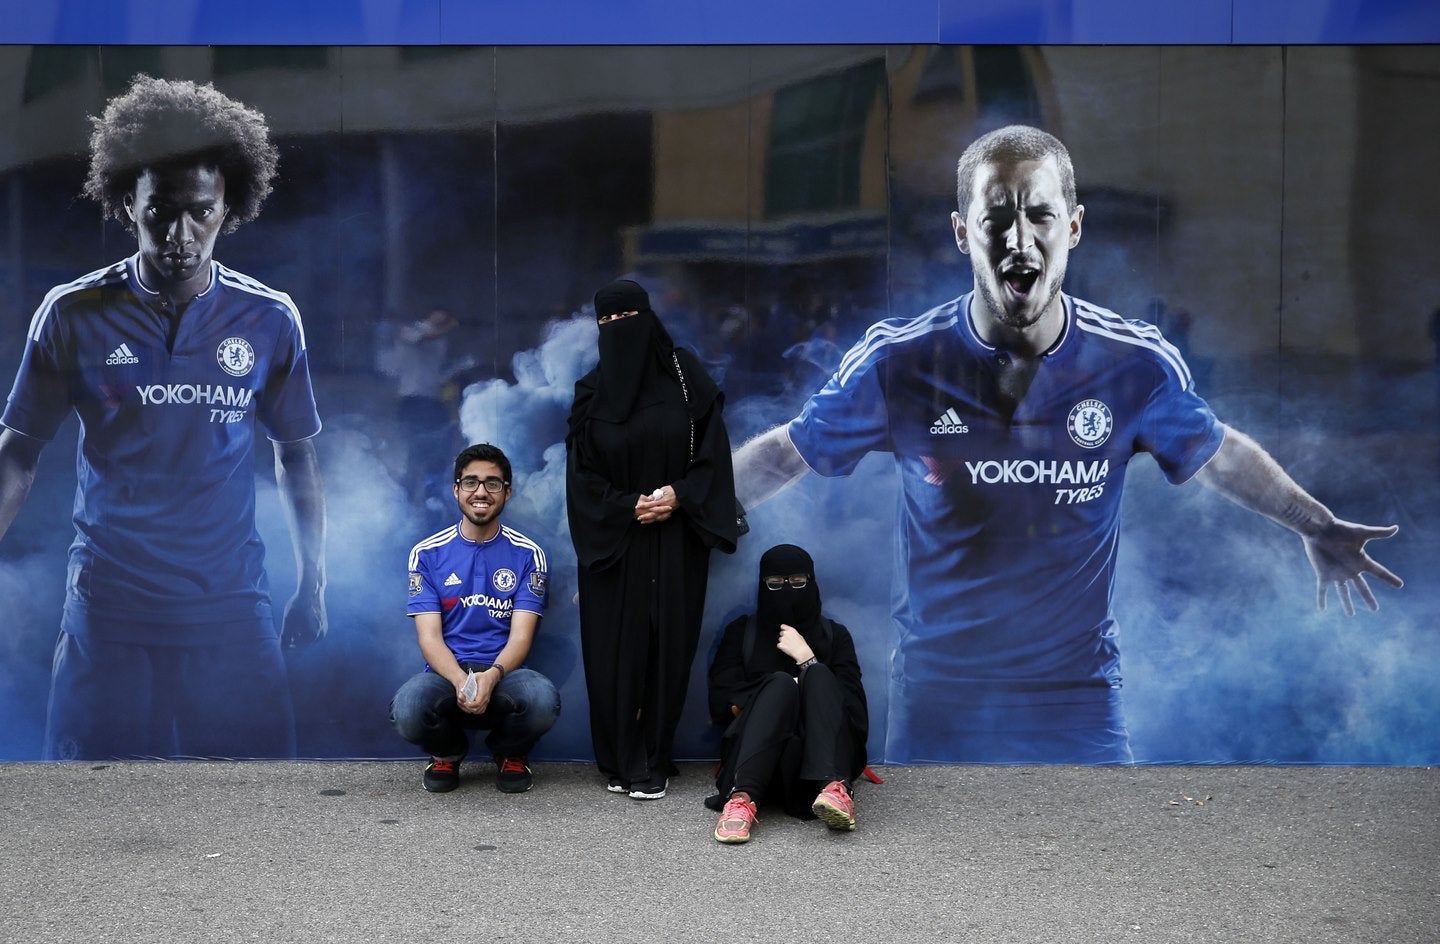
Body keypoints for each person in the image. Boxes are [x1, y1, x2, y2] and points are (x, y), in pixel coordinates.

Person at [733, 125, 1402, 765]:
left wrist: (1314, 524)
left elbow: (1217, 452)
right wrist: (684, 504)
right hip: (939, 702)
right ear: (964, 233)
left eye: (1041, 215)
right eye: (997, 217)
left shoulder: (1134, 364)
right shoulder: (899, 362)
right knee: (931, 881)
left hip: (1078, 704)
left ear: (1073, 227)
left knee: (1104, 875)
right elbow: (784, 452)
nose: (1019, 240)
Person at [0, 75, 327, 761]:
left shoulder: (269, 318)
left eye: (201, 213)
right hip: (108, 609)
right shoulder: (72, 313)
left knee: (257, 816)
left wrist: (313, 584)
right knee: (97, 818)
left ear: (228, 206)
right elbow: (20, 449)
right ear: (127, 204)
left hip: (231, 609)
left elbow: (295, 454)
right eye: (161, 212)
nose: (181, 234)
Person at [565, 279, 739, 799]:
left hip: (675, 539)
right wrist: (626, 505)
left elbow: (714, 456)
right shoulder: (592, 392)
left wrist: (680, 495)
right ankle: (620, 757)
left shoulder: (686, 378)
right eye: (608, 322)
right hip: (616, 543)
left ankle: (655, 755)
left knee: (668, 645)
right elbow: (581, 477)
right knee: (613, 649)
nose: (620, 330)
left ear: (649, 317)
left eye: (628, 317)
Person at [392, 443, 559, 793]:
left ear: (507, 493)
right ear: (456, 490)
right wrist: (459, 680)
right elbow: (430, 638)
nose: (481, 491)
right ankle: (448, 754)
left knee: (543, 699)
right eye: (471, 482)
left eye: (492, 483)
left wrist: (491, 676)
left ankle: (509, 753)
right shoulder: (426, 553)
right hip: (446, 673)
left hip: (504, 672)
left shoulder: (529, 554)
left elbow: (521, 639)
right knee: (408, 708)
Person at [705, 544, 869, 844]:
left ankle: (834, 788)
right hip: (757, 755)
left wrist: (807, 661)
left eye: (797, 582)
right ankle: (741, 799)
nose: (787, 591)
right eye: (775, 584)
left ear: (812, 582)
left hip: (817, 759)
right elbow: (721, 701)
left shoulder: (836, 636)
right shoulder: (742, 633)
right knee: (780, 683)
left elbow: (854, 708)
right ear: (762, 585)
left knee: (818, 673)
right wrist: (782, 690)